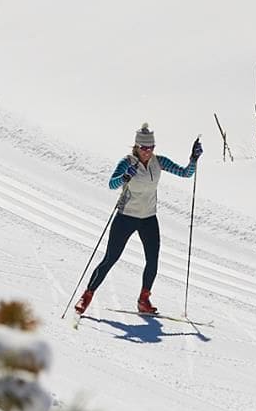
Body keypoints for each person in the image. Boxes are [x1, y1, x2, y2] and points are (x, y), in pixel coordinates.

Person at [74, 123, 202, 316]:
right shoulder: (127, 162)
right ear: (136, 146)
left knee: (153, 260)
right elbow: (111, 184)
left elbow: (185, 173)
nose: (147, 152)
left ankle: (144, 300)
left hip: (149, 218)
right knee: (111, 258)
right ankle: (87, 295)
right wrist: (124, 177)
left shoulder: (159, 162)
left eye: (151, 148)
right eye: (143, 148)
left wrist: (193, 160)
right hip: (126, 217)